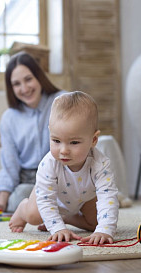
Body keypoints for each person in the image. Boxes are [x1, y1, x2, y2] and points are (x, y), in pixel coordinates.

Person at [9, 91, 119, 245]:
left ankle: (66, 218)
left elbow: (108, 197)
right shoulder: (49, 164)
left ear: (93, 140)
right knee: (34, 216)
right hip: (51, 195)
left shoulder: (100, 164)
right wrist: (57, 228)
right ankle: (22, 209)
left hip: (85, 196)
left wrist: (105, 230)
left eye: (74, 143)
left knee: (96, 223)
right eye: (56, 140)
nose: (63, 150)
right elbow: (46, 200)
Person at [0, 52, 66, 212]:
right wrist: (2, 200)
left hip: (52, 176)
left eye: (28, 79)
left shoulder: (61, 102)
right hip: (21, 174)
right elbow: (10, 165)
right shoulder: (9, 117)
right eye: (16, 84)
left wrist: (5, 202)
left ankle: (6, 202)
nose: (24, 88)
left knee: (18, 198)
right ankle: (0, 201)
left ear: (39, 77)